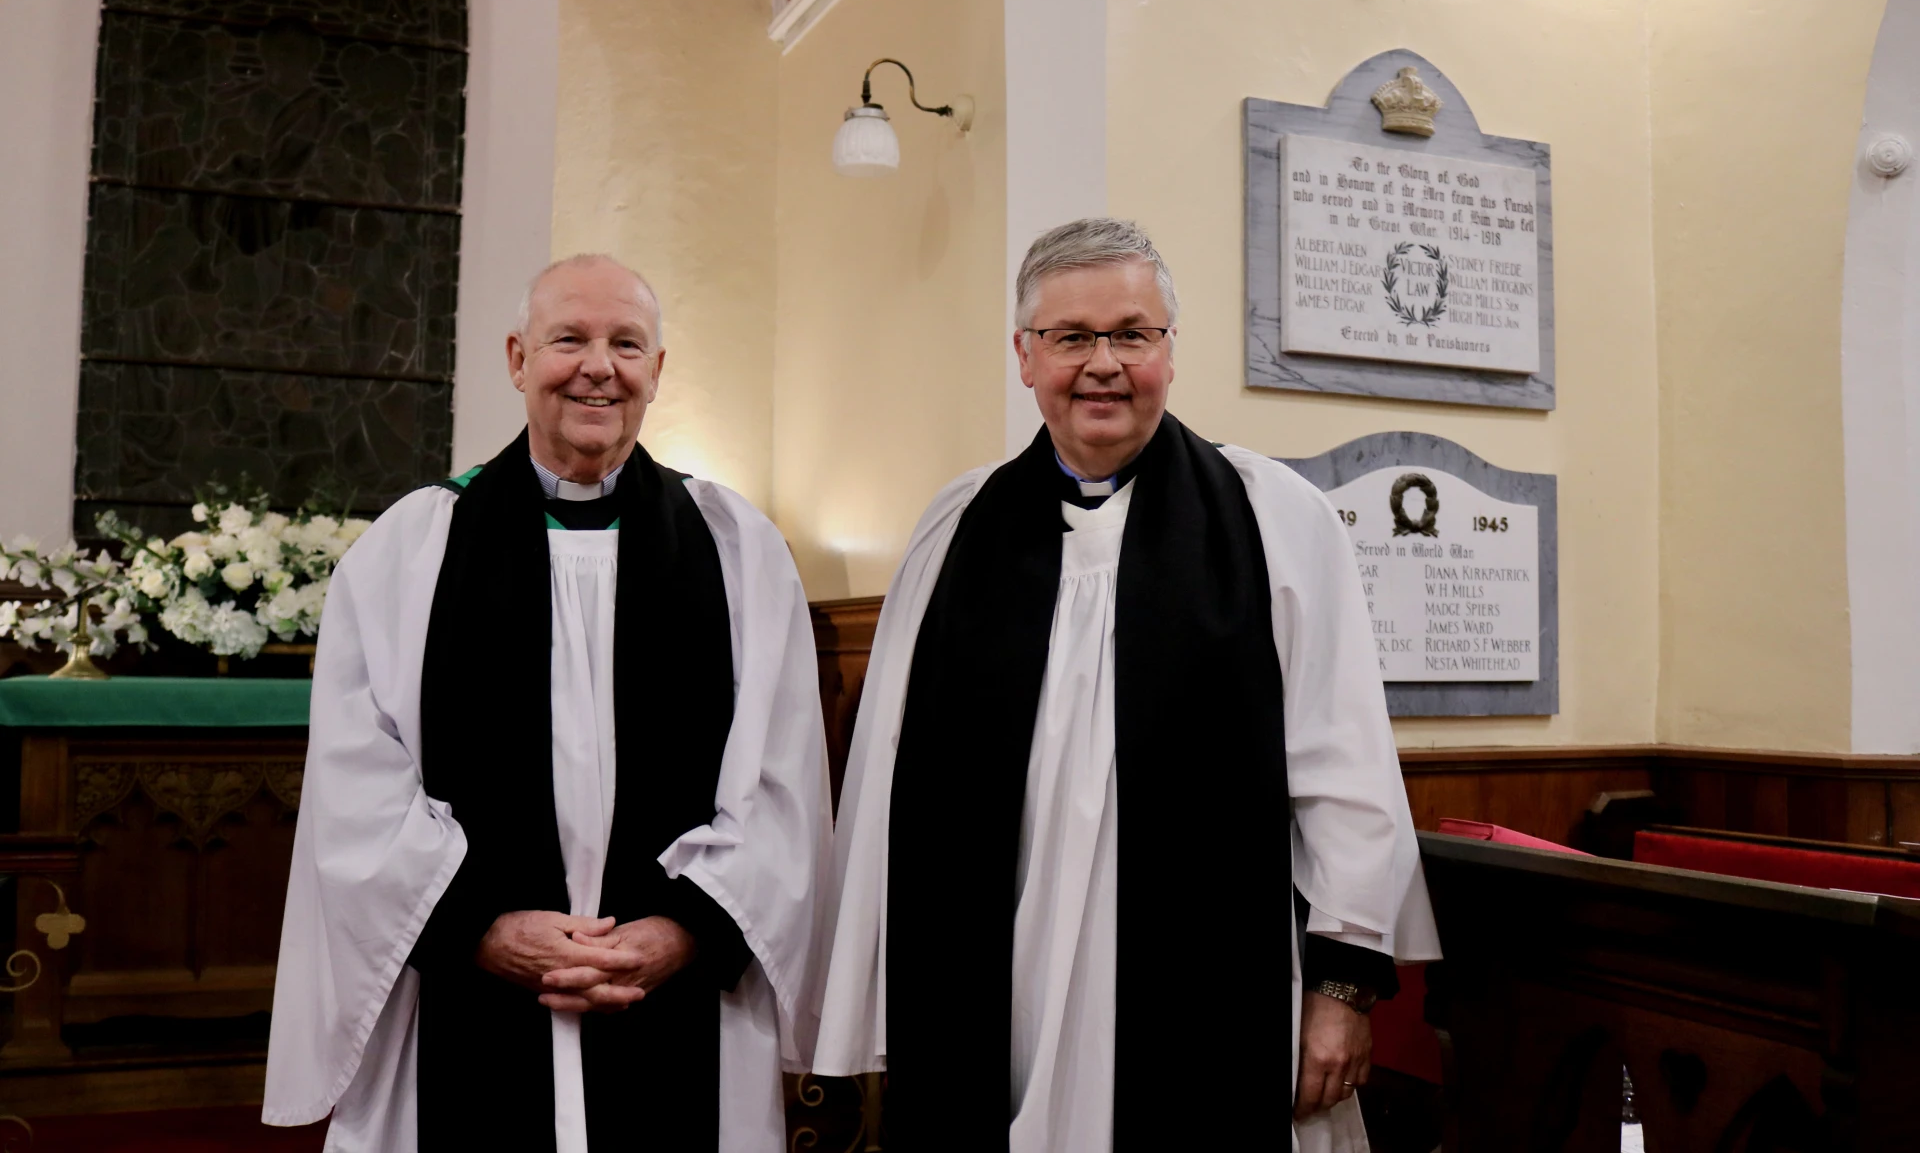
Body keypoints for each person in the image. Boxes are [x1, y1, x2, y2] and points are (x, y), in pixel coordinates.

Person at [811, 219, 1438, 1152]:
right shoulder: (956, 532)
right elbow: (883, 789)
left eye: (1131, 334)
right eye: (1071, 337)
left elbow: (1343, 766)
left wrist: (1341, 989)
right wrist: (867, 992)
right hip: (998, 982)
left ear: (1169, 355)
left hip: (1210, 986)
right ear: (1026, 357)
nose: (1102, 364)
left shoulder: (1273, 519)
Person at [264, 255, 829, 1152]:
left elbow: (782, 780)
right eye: (570, 340)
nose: (597, 366)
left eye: (625, 344)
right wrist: (478, 927)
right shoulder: (414, 546)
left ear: (658, 370)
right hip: (469, 990)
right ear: (518, 358)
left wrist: (685, 927)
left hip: (673, 998)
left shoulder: (736, 549)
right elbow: (355, 780)